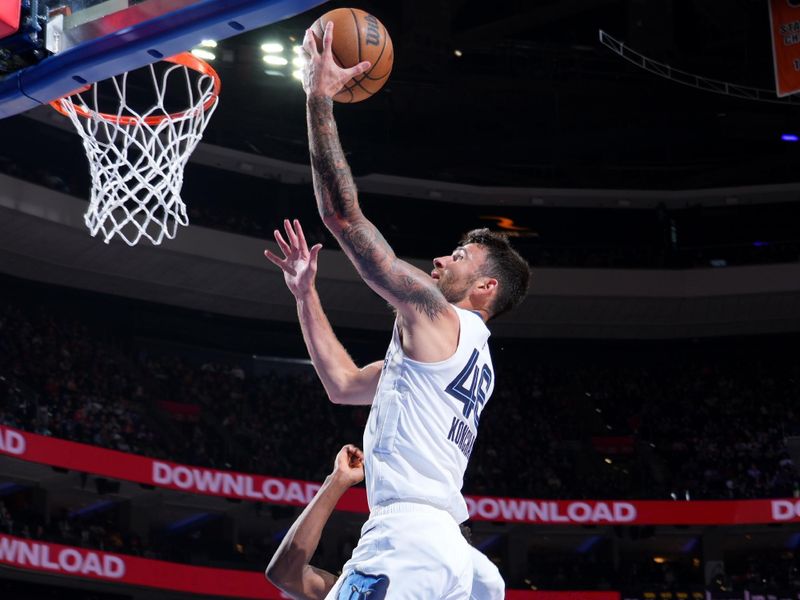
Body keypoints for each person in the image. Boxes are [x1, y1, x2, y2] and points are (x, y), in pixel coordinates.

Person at [264, 20, 531, 599]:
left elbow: (343, 218)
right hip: (454, 554)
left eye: (459, 256)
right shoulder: (456, 360)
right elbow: (341, 384)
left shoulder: (439, 316)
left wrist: (317, 98)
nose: (441, 257)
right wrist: (305, 294)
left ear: (484, 287)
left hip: (406, 541)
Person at [265, 445, 504, 600]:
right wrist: (337, 481)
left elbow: (491, 584)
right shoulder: (366, 586)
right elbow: (285, 574)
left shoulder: (463, 579)